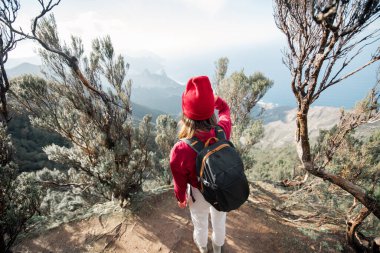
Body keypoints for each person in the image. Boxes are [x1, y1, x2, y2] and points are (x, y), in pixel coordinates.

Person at [169, 75, 231, 253]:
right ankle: (217, 248)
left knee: (200, 222)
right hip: (221, 189)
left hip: (198, 193)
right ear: (211, 111)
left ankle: (204, 249)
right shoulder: (222, 131)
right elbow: (225, 110)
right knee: (219, 220)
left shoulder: (180, 150)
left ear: (186, 114)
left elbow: (179, 181)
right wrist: (215, 100)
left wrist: (181, 197)